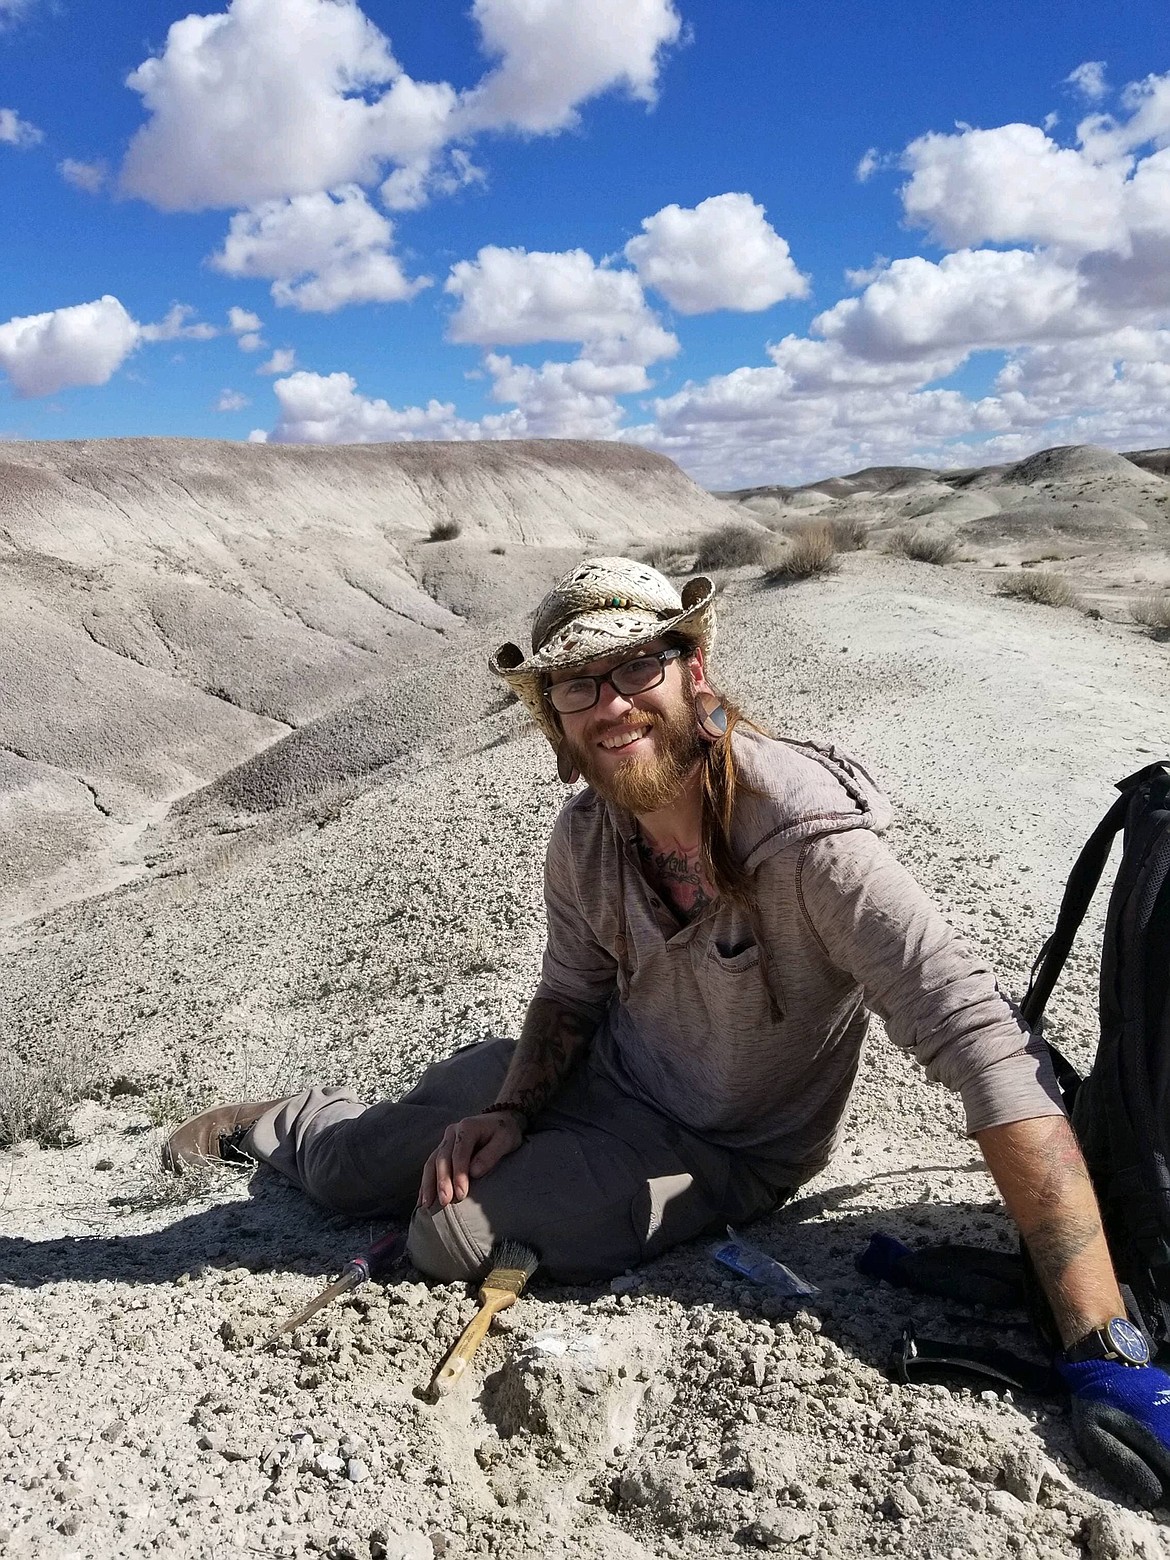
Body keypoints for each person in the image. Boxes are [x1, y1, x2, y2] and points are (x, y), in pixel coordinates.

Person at [165, 556, 1170, 1501]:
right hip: (598, 1079)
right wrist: (516, 1107)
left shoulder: (808, 841)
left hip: (722, 1147)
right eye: (576, 682)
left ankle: (447, 1133)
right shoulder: (587, 838)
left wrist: (1100, 1341)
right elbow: (568, 994)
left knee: (450, 1231)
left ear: (695, 670)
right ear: (552, 719)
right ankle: (281, 1122)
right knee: (348, 1171)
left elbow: (985, 1047)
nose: (610, 702)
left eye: (636, 664)